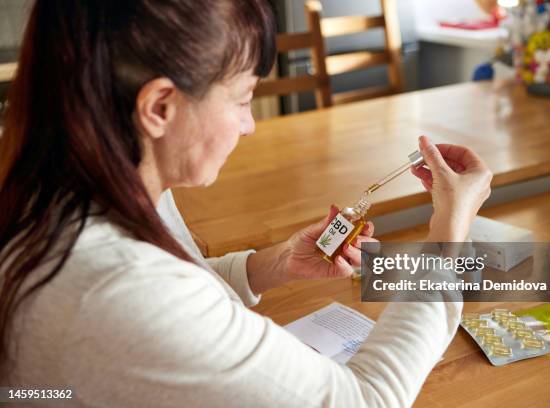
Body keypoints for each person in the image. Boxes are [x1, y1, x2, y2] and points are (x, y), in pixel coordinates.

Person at [0, 1, 492, 406]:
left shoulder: (85, 183)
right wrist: (450, 231)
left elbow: (177, 284)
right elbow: (367, 400)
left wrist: (271, 266)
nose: (249, 123)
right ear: (159, 107)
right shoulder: (114, 285)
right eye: (243, 98)